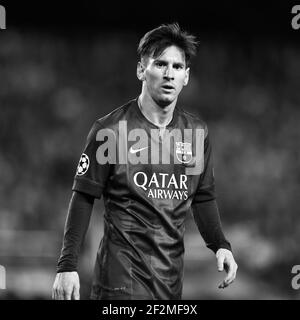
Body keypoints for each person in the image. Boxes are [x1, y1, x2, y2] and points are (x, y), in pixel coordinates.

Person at [52, 22, 238, 300]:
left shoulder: (196, 134)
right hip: (120, 283)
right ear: (141, 70)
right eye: (160, 64)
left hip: (170, 283)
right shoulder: (111, 131)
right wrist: (67, 266)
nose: (169, 74)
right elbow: (83, 197)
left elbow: (202, 197)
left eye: (177, 67)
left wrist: (220, 245)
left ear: (186, 76)